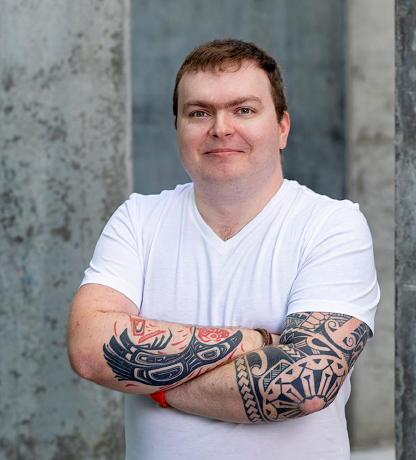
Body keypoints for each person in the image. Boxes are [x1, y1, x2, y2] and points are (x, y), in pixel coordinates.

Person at [68, 38, 380, 460]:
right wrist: (260, 341)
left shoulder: (331, 224)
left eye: (244, 110)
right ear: (178, 128)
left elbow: (303, 385)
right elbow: (89, 349)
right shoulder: (138, 219)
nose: (221, 128)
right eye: (199, 112)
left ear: (282, 127)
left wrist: (158, 389)